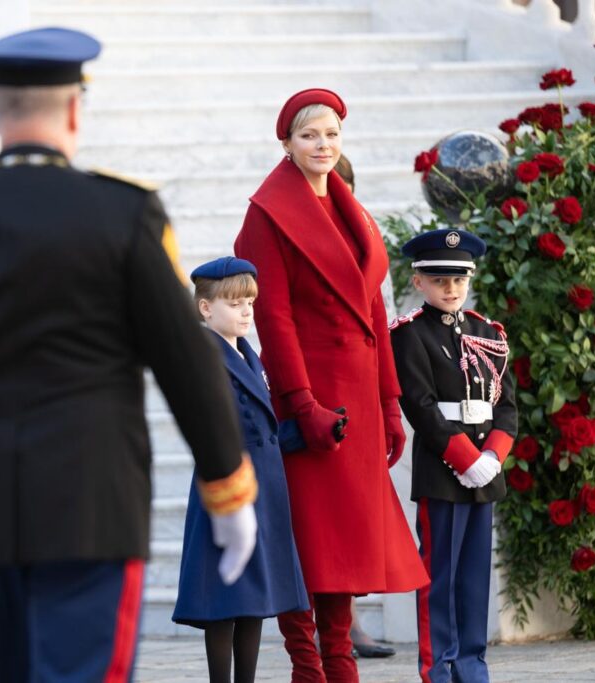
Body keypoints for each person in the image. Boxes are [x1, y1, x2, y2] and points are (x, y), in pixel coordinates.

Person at [0, 27, 259, 683]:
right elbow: (187, 362)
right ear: (74, 110)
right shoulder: (125, 212)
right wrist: (229, 486)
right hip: (94, 504)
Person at [234, 88, 429, 682]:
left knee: (344, 538)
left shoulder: (350, 208)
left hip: (360, 398)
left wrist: (391, 402)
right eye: (309, 136)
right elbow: (275, 318)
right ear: (287, 144)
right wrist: (300, 402)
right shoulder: (267, 213)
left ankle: (339, 659)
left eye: (331, 135)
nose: (323, 145)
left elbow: (374, 309)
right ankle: (307, 665)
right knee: (308, 538)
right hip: (311, 396)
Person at [173, 256, 315, 683]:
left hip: (264, 490)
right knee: (224, 600)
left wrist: (308, 431)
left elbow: (264, 429)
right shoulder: (201, 356)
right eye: (235, 304)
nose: (247, 311)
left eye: (250, 302)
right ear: (205, 308)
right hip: (228, 489)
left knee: (252, 599)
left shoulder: (249, 356)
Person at [389, 229, 516, 683]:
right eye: (440, 279)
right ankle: (438, 667)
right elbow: (420, 407)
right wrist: (465, 458)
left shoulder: (488, 332)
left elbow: (506, 406)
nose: (451, 288)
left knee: (473, 579)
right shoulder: (409, 335)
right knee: (438, 577)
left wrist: (493, 457)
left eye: (459, 279)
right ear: (419, 281)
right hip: (444, 471)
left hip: (483, 472)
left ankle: (472, 664)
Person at [331, 153, 397, 662]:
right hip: (325, 388)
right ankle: (336, 627)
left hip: (367, 384)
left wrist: (389, 400)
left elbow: (385, 318)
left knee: (359, 512)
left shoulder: (368, 236)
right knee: (334, 514)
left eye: (344, 182)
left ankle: (346, 622)